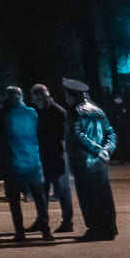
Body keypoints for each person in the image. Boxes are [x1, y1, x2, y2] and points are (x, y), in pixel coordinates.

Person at [0, 86, 52, 243]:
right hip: (33, 161)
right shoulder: (32, 113)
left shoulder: (4, 115)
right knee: (40, 198)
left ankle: (20, 232)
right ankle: (46, 230)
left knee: (14, 200)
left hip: (13, 163)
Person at [69, 83, 119, 241]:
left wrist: (97, 149)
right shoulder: (98, 110)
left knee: (88, 197)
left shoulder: (75, 112)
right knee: (104, 195)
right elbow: (111, 133)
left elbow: (77, 135)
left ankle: (95, 229)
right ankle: (110, 228)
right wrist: (106, 150)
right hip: (101, 162)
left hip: (84, 161)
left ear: (72, 95)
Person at [31, 84, 76, 233]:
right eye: (37, 99)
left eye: (42, 98)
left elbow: (66, 136)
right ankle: (42, 219)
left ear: (47, 96)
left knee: (63, 190)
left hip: (57, 156)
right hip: (43, 156)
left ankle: (67, 221)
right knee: (42, 191)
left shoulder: (58, 113)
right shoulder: (36, 111)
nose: (40, 101)